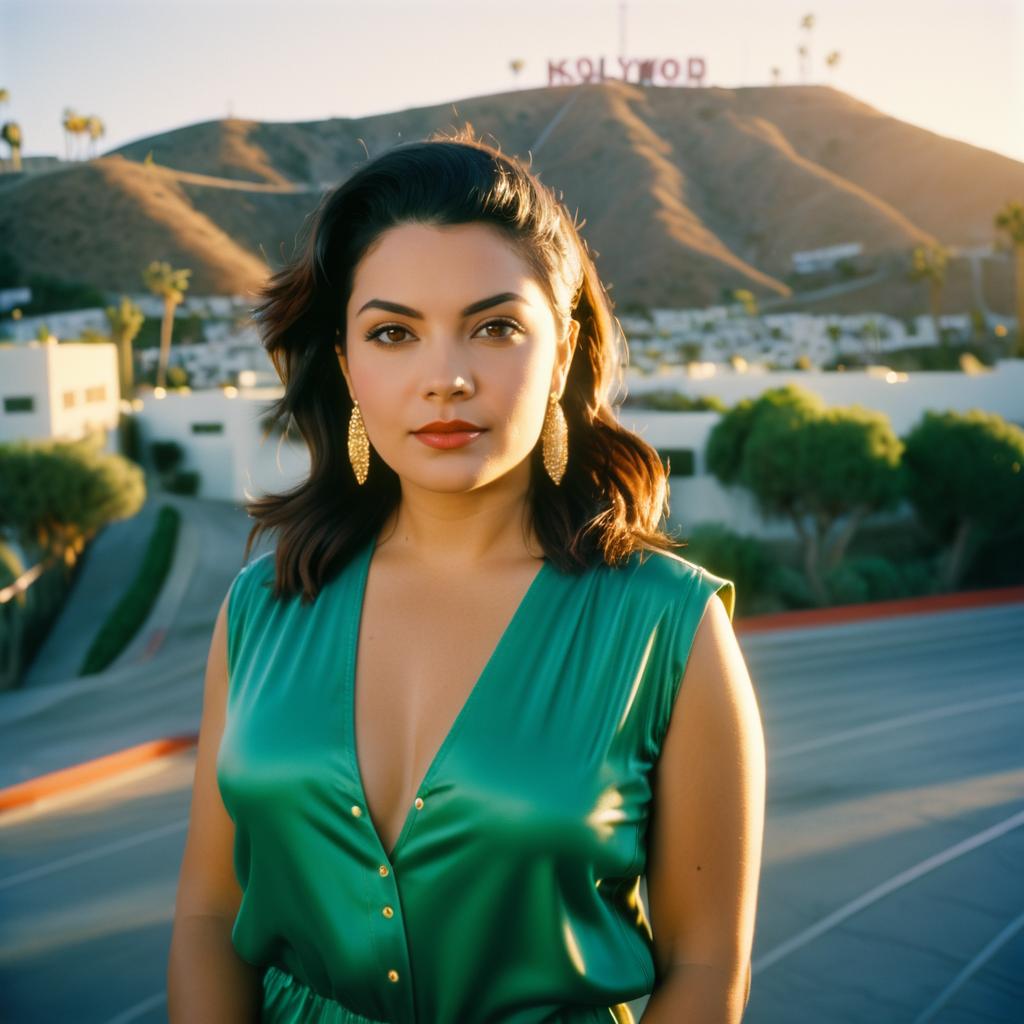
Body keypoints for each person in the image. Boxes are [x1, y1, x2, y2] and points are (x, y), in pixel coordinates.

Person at [168, 127, 765, 1024]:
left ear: (561, 351)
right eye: (393, 333)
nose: (444, 378)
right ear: (346, 364)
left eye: (493, 328)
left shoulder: (669, 630)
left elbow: (706, 970)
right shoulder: (261, 609)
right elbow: (210, 914)